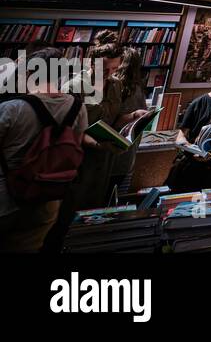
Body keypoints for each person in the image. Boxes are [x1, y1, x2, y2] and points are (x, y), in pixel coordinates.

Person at [0, 48, 88, 252]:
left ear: (29, 74)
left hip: (5, 199)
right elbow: (75, 147)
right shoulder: (77, 107)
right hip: (46, 200)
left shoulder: (12, 108)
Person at [44, 43, 128, 251]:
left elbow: (114, 118)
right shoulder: (74, 86)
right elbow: (63, 130)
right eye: (105, 68)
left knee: (92, 215)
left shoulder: (116, 85)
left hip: (103, 162)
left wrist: (133, 116)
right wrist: (94, 142)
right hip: (76, 162)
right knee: (66, 218)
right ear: (90, 62)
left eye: (114, 69)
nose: (109, 74)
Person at [107, 47, 150, 198]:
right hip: (127, 153)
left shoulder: (115, 86)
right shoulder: (137, 88)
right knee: (114, 199)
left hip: (108, 154)